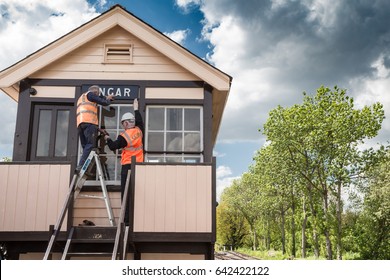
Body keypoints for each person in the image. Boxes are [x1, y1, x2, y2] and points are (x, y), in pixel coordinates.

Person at [103, 98, 144, 224]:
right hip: (139, 166)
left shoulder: (124, 136)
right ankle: (135, 219)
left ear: (126, 123)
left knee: (125, 194)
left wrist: (107, 138)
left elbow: (112, 147)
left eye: (123, 123)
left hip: (127, 167)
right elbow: (140, 120)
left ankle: (126, 221)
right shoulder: (139, 130)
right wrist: (136, 108)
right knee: (135, 193)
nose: (123, 126)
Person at [76, 85, 114, 173]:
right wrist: (108, 100)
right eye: (98, 94)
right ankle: (81, 166)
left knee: (85, 147)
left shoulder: (82, 97)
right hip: (89, 123)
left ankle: (82, 167)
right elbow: (104, 102)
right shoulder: (91, 94)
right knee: (90, 145)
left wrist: (99, 129)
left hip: (81, 123)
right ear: (96, 92)